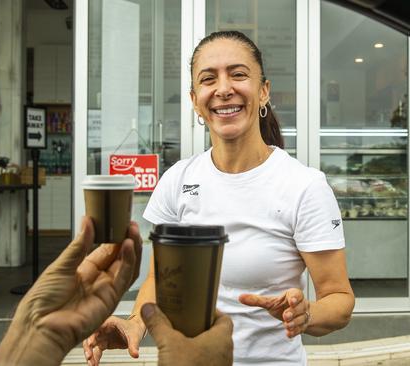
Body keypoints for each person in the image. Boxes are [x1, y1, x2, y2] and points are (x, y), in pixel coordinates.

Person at [83, 30, 355, 366]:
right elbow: (161, 277)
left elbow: (339, 299)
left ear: (264, 91)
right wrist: (135, 323)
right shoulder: (178, 181)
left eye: (238, 74)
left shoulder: (304, 186)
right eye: (208, 79)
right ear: (195, 99)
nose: (224, 89)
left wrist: (306, 313)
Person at [0, 216, 233, 366]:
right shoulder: (179, 178)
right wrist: (39, 333)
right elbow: (159, 275)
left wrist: (32, 335)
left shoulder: (273, 174)